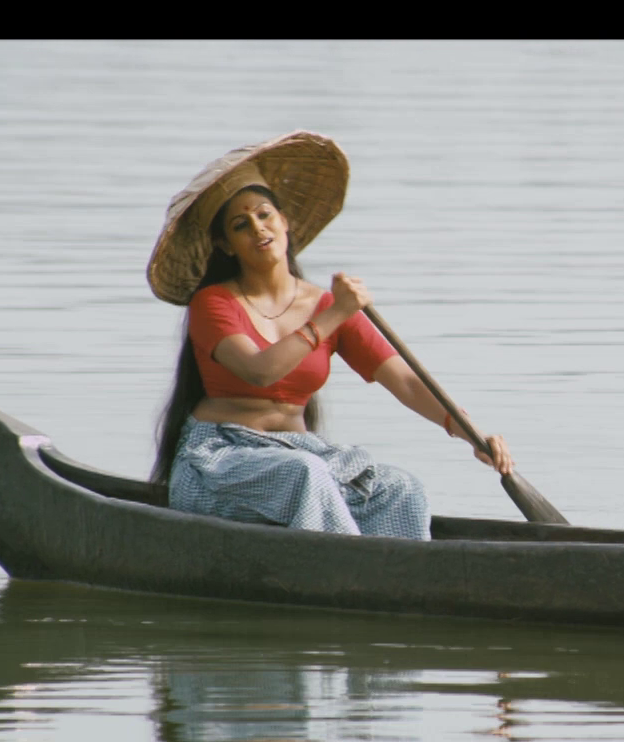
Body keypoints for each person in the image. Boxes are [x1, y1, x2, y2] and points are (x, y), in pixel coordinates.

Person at [147, 131, 511, 539]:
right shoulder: (213, 303)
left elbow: (406, 382)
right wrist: (336, 313)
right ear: (226, 245)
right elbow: (259, 371)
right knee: (305, 474)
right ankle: (345, 567)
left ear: (284, 221)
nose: (258, 228)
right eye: (240, 225)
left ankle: (402, 572)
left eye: (265, 215)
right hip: (220, 458)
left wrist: (470, 433)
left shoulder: (325, 304)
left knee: (401, 489)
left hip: (299, 452)